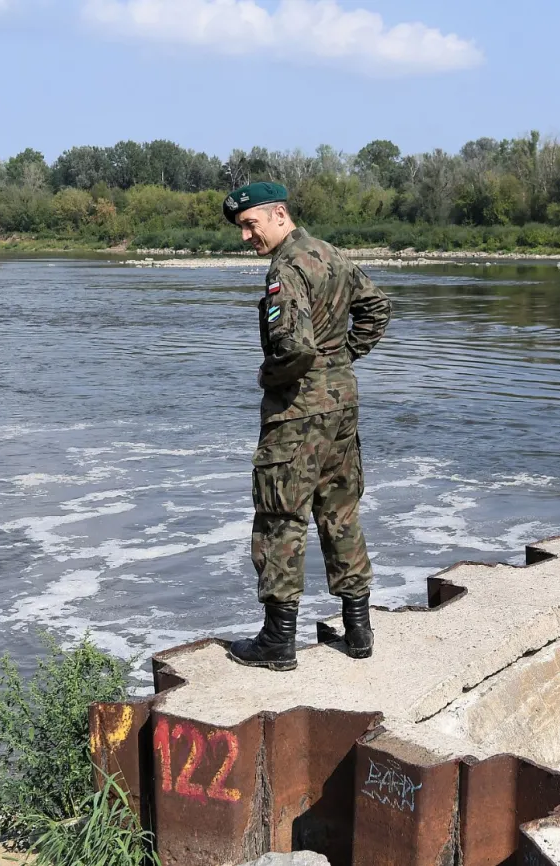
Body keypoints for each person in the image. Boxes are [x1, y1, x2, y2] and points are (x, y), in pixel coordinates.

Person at [221, 181, 391, 672]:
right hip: (341, 407)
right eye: (242, 228)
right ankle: (358, 630)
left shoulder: (288, 267)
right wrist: (343, 360)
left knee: (280, 516)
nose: (246, 236)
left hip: (296, 414)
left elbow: (293, 348)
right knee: (340, 510)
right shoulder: (330, 254)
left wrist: (267, 377)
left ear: (279, 214)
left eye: (251, 224)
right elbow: (377, 308)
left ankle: (278, 641)